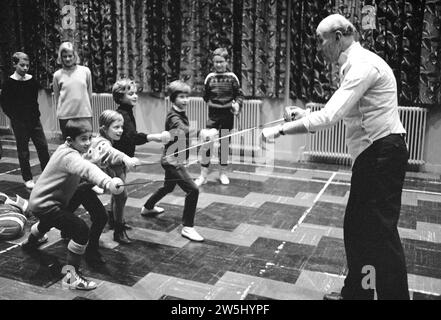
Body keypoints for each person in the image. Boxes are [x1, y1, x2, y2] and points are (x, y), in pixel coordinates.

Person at [263, 14, 409, 300]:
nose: (319, 47)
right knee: (358, 229)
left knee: (380, 234)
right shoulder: (352, 65)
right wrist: (305, 115)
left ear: (339, 36)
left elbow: (331, 116)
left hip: (383, 155)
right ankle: (358, 293)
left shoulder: (363, 65)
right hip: (373, 157)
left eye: (321, 40)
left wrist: (280, 130)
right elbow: (348, 112)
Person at [22, 119, 124, 290]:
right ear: (70, 140)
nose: (88, 142)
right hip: (46, 205)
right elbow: (86, 169)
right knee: (80, 229)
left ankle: (30, 242)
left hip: (42, 201)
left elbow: (88, 163)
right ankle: (71, 276)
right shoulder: (70, 157)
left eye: (89, 137)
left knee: (52, 219)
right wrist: (107, 182)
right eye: (83, 139)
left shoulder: (68, 149)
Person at [141, 80, 204, 242]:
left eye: (187, 97)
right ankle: (188, 227)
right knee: (193, 190)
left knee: (168, 187)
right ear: (173, 98)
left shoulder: (181, 113)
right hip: (171, 161)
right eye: (181, 97)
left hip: (174, 158)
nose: (185, 100)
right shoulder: (173, 116)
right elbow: (182, 130)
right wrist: (202, 132)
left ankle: (147, 208)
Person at [111, 79, 170, 226]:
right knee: (120, 194)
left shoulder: (127, 112)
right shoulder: (122, 115)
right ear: (119, 97)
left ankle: (114, 219)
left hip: (123, 159)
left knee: (116, 192)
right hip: (118, 159)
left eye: (135, 93)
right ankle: (118, 225)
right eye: (130, 94)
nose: (135, 96)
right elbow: (133, 137)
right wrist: (154, 137)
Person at [84, 110, 140, 244]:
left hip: (87, 181)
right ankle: (117, 231)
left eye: (121, 127)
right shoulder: (102, 142)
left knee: (120, 195)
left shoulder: (105, 139)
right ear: (104, 128)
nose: (120, 130)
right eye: (116, 127)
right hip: (81, 183)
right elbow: (109, 151)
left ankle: (117, 226)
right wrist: (126, 158)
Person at [194, 48, 244, 186]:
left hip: (228, 116)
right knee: (207, 143)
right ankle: (203, 175)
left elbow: (239, 95)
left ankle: (223, 173)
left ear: (227, 61)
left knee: (224, 145)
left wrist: (237, 105)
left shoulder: (233, 77)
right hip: (213, 116)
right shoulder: (209, 77)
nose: (218, 65)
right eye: (216, 62)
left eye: (221, 62)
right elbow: (205, 96)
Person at [0, 52, 50, 189]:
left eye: (27, 65)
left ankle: (47, 174)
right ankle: (27, 178)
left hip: (34, 121)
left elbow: (37, 95)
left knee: (43, 147)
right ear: (14, 64)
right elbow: (5, 104)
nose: (25, 68)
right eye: (22, 65)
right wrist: (14, 118)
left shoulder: (31, 80)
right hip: (20, 123)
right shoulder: (9, 83)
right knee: (23, 151)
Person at [53, 42, 93, 139]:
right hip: (66, 116)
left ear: (75, 56)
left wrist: (88, 111)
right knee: (69, 143)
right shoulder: (57, 75)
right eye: (64, 56)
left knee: (86, 142)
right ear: (60, 58)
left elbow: (89, 93)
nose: (67, 59)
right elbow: (57, 98)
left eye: (70, 56)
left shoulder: (85, 71)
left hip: (84, 114)